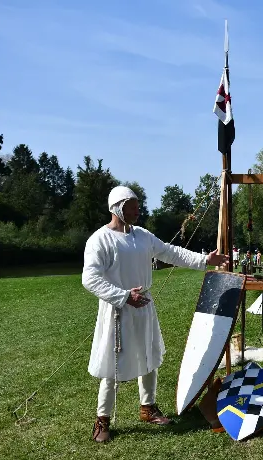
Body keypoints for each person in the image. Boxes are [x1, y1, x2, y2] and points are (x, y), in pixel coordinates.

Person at [82, 186, 228, 443]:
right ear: (118, 207)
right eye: (133, 206)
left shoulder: (143, 236)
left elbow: (172, 253)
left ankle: (147, 407)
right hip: (117, 309)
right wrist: (125, 296)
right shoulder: (99, 240)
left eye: (138, 205)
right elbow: (90, 279)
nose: (138, 211)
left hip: (144, 306)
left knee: (150, 356)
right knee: (111, 365)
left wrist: (205, 260)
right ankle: (102, 419)